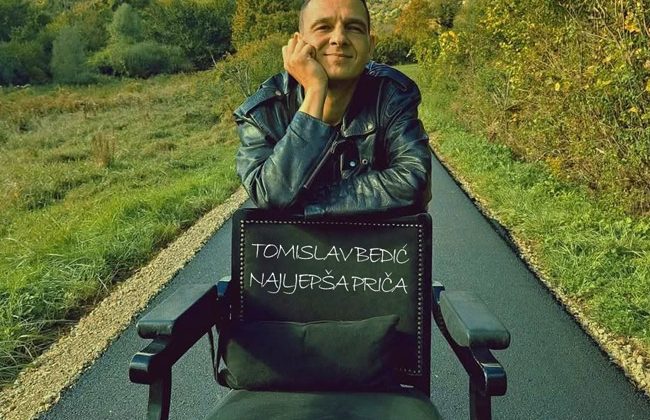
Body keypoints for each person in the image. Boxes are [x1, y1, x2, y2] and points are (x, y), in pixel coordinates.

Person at [234, 0, 431, 218]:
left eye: (354, 28)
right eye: (323, 27)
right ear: (298, 43)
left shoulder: (392, 95)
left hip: (377, 241)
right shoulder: (263, 114)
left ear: (370, 45)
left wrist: (304, 204)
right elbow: (270, 195)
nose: (339, 39)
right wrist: (315, 89)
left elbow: (414, 180)